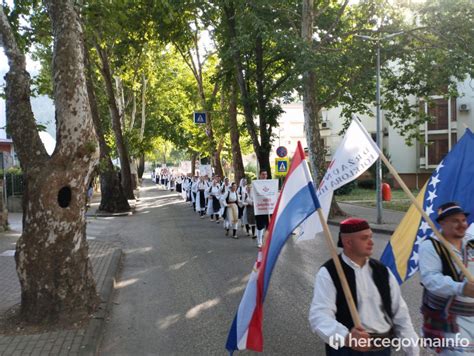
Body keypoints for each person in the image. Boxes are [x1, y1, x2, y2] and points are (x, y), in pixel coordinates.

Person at [309, 218, 419, 356]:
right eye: (364, 238)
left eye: (371, 236)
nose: (371, 242)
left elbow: (398, 309)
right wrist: (346, 337)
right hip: (347, 350)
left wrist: (410, 343)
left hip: (382, 349)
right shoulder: (329, 272)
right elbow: (319, 316)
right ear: (348, 242)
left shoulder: (382, 271)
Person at [418, 202, 474, 355]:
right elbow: (430, 279)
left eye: (463, 220)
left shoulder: (471, 242)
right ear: (442, 223)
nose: (462, 224)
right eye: (455, 221)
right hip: (449, 321)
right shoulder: (430, 246)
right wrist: (461, 288)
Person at [254, 170, 270, 248]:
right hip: (259, 208)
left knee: (268, 226)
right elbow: (253, 196)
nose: (264, 176)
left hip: (268, 209)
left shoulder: (270, 184)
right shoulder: (256, 185)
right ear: (260, 175)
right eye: (263, 174)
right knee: (260, 226)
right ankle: (259, 241)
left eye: (265, 174)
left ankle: (266, 241)